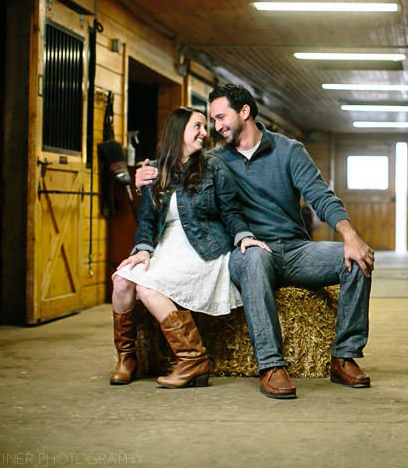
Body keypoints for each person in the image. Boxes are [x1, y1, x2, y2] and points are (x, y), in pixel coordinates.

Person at [136, 84, 375, 400]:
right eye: (212, 120)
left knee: (358, 260)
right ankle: (272, 365)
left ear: (244, 112)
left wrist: (350, 237)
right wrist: (145, 177)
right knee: (255, 259)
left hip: (296, 249)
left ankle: (344, 356)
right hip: (248, 250)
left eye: (221, 117)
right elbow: (174, 171)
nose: (216, 126)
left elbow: (321, 196)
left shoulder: (289, 150)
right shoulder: (214, 161)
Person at [111, 107, 270, 389]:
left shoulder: (214, 167)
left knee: (147, 288)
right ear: (178, 132)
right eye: (197, 126)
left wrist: (243, 236)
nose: (204, 132)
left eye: (205, 127)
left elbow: (231, 211)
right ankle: (127, 358)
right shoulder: (155, 171)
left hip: (203, 247)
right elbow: (147, 219)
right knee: (122, 280)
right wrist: (143, 249)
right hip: (165, 248)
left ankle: (192, 359)